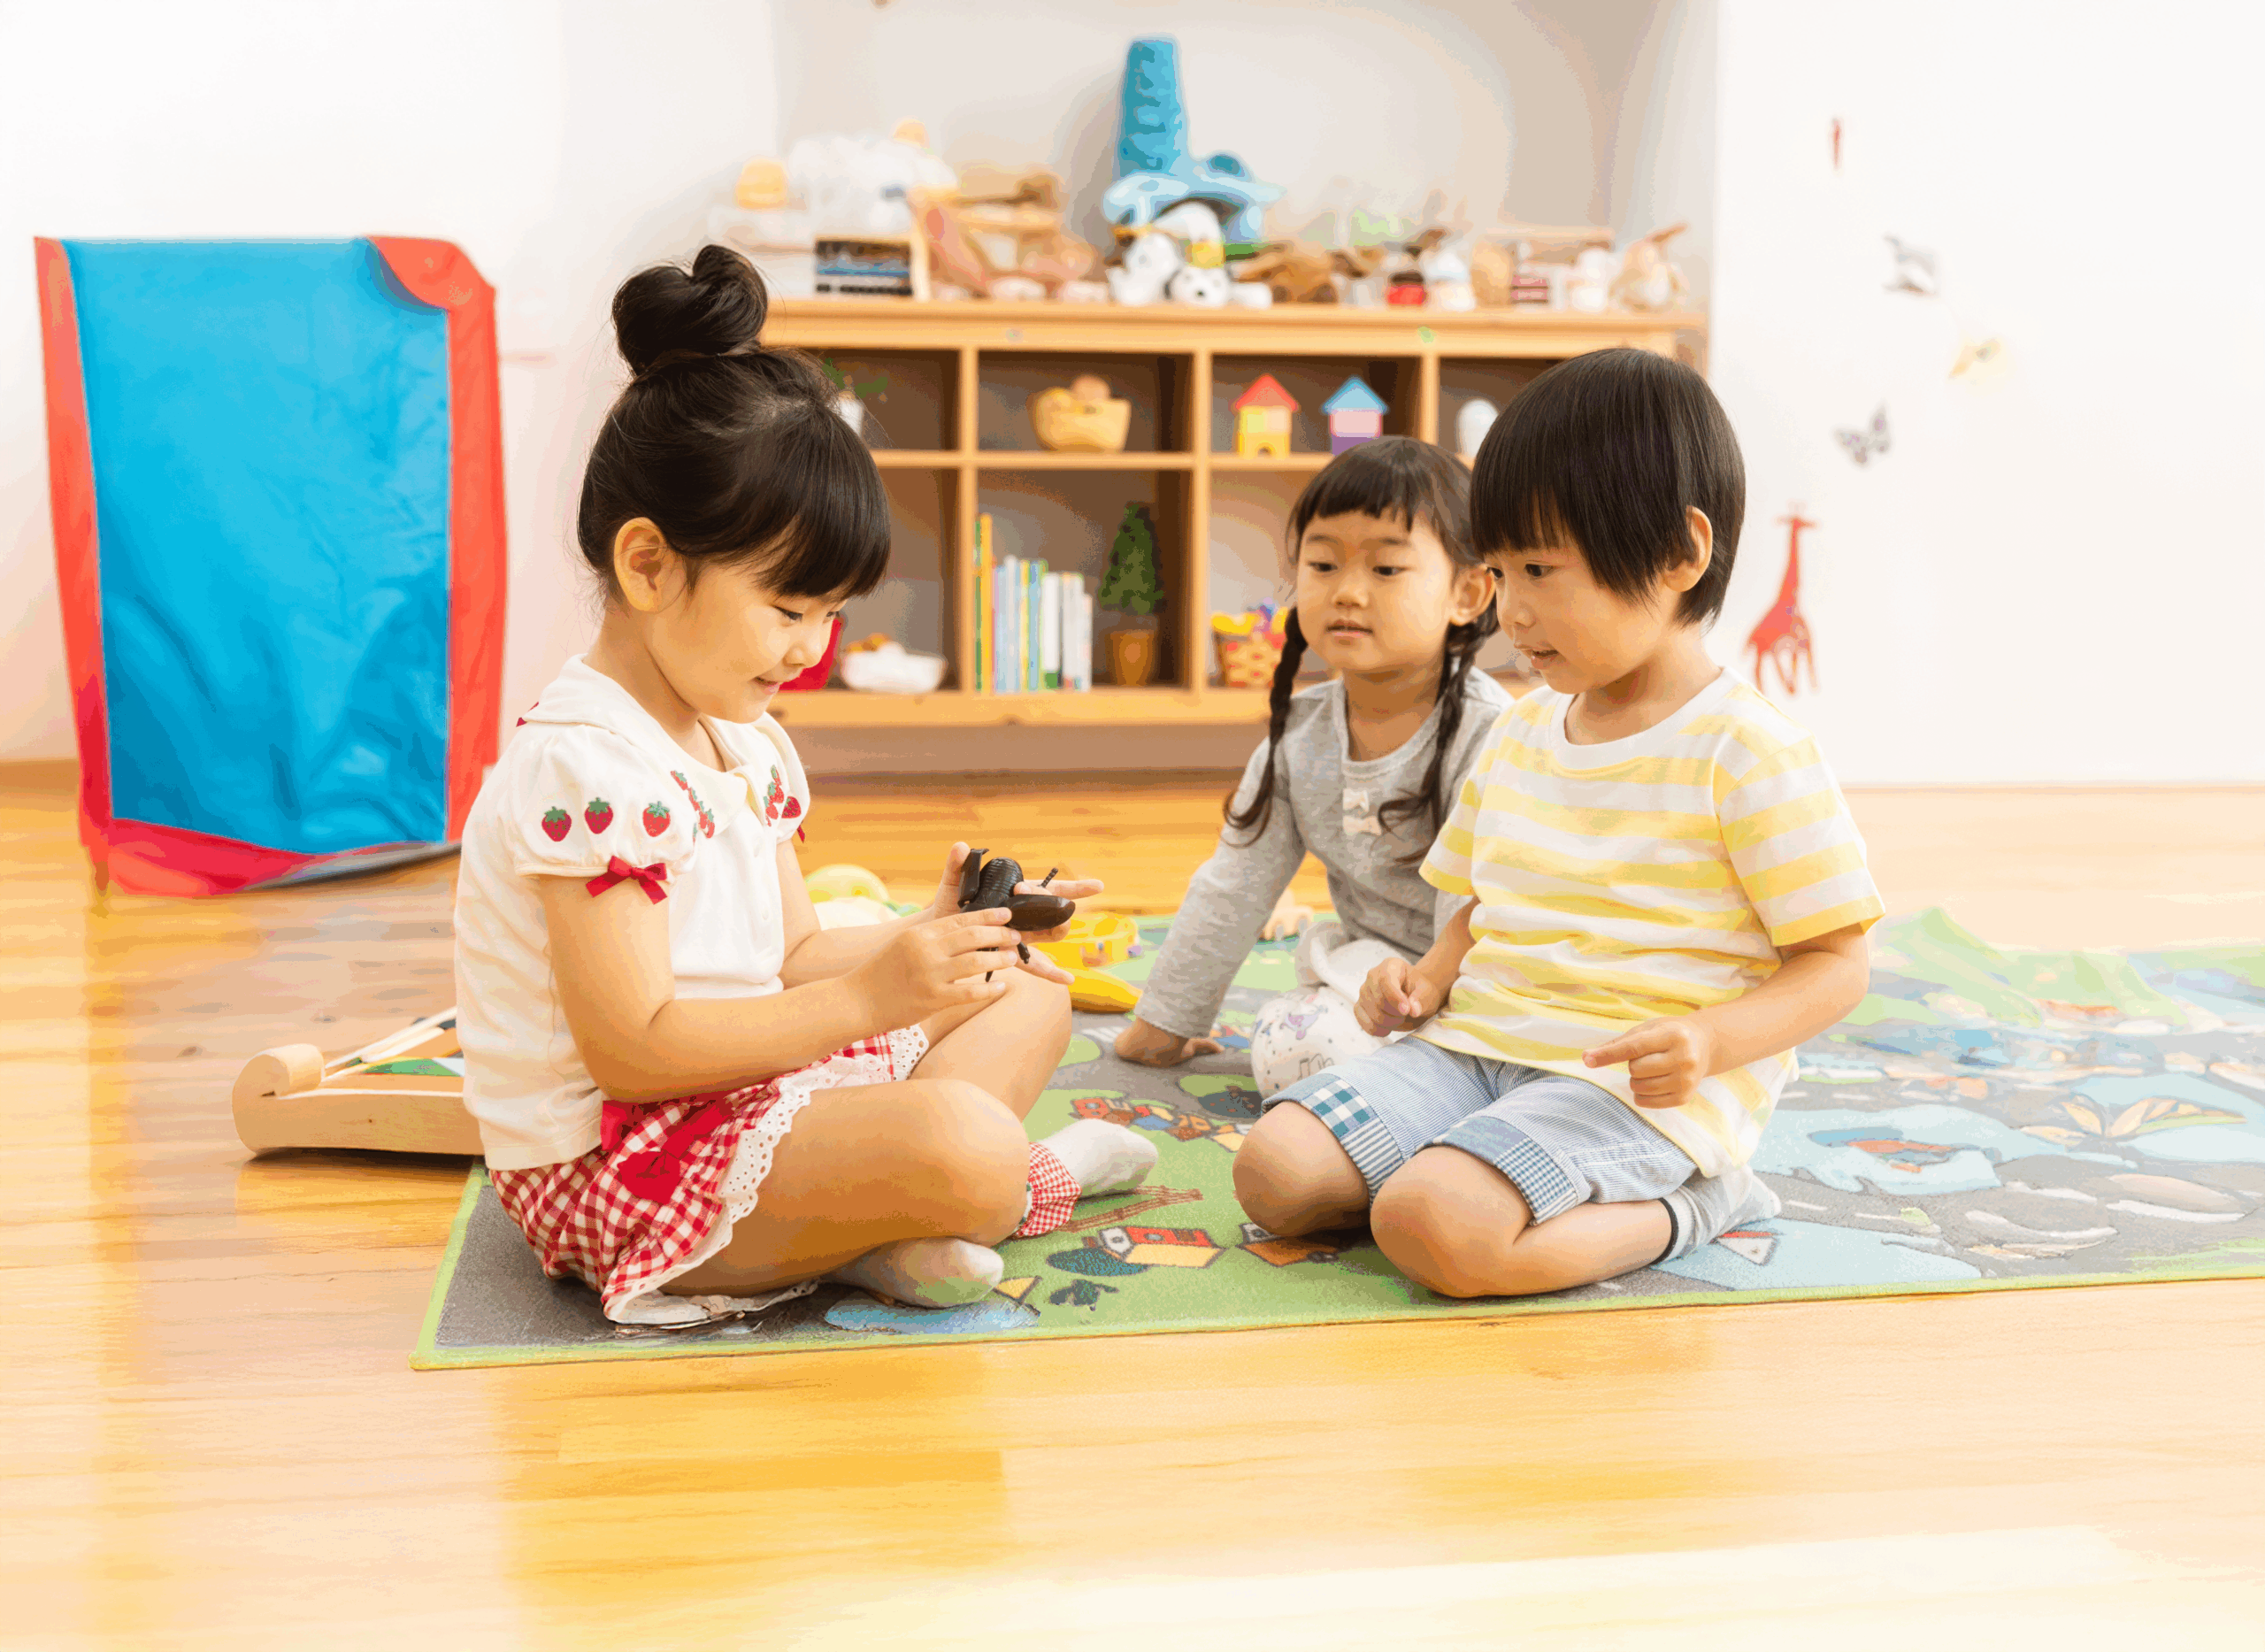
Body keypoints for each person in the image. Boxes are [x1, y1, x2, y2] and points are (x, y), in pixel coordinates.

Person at [451, 248, 1156, 1327]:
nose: (811, 648)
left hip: (747, 1094)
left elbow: (789, 959)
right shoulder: (587, 768)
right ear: (647, 565)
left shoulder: (741, 739)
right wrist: (868, 1006)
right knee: (968, 1142)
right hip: (615, 1162)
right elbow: (634, 1054)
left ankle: (872, 1230)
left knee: (1025, 990)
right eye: (788, 610)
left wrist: (930, 938)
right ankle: (997, 1184)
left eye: (829, 614)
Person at [1233, 349, 1884, 1295]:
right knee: (1273, 1171)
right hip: (1475, 1047)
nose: (1513, 609)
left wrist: (1711, 1042)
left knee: (1433, 1224)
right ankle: (1481, 1175)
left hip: (1627, 1085)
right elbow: (1481, 906)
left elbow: (1837, 963)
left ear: (1678, 553)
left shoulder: (1749, 751)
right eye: (1497, 570)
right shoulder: (1521, 727)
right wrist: (1421, 982)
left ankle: (1695, 1201)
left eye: (1540, 568)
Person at [1113, 438, 1512, 1094]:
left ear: (1468, 593)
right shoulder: (1300, 735)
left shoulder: (1490, 732)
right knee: (1291, 1047)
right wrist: (1166, 1022)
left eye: (1386, 570)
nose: (1347, 592)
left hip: (1487, 982)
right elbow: (1234, 885)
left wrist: (1438, 1013)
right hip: (1372, 979)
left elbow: (1477, 911)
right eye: (1323, 564)